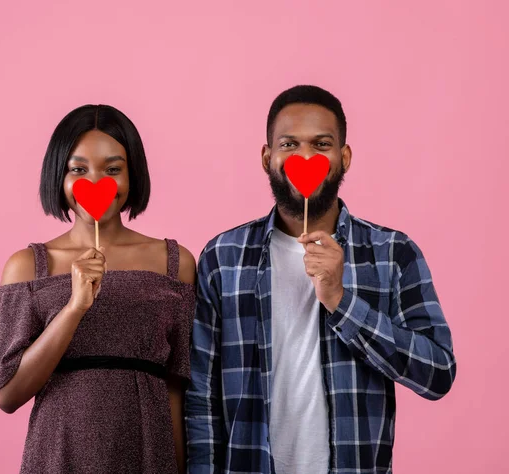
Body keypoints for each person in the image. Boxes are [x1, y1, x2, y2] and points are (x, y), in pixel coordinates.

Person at [185, 85, 456, 473]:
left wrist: (341, 301)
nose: (305, 156)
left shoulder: (393, 252)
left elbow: (439, 374)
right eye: (289, 144)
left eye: (322, 143)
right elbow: (202, 397)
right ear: (267, 157)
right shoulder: (223, 258)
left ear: (344, 157)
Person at [0, 104, 196, 473]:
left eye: (112, 169)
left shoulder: (174, 263)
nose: (97, 183)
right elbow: (8, 394)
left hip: (148, 451)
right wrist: (74, 307)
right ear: (59, 175)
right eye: (78, 169)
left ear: (133, 175)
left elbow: (177, 388)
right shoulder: (27, 266)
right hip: (58, 452)